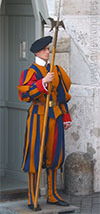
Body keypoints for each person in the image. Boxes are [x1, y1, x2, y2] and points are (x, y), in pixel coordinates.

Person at [18, 36, 72, 211]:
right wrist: (42, 83)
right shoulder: (30, 73)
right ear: (37, 53)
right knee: (35, 156)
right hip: (38, 116)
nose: (48, 52)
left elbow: (61, 95)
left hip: (54, 116)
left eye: (49, 49)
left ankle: (52, 195)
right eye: (45, 50)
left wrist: (66, 116)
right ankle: (32, 198)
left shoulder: (55, 69)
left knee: (54, 155)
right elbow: (25, 95)